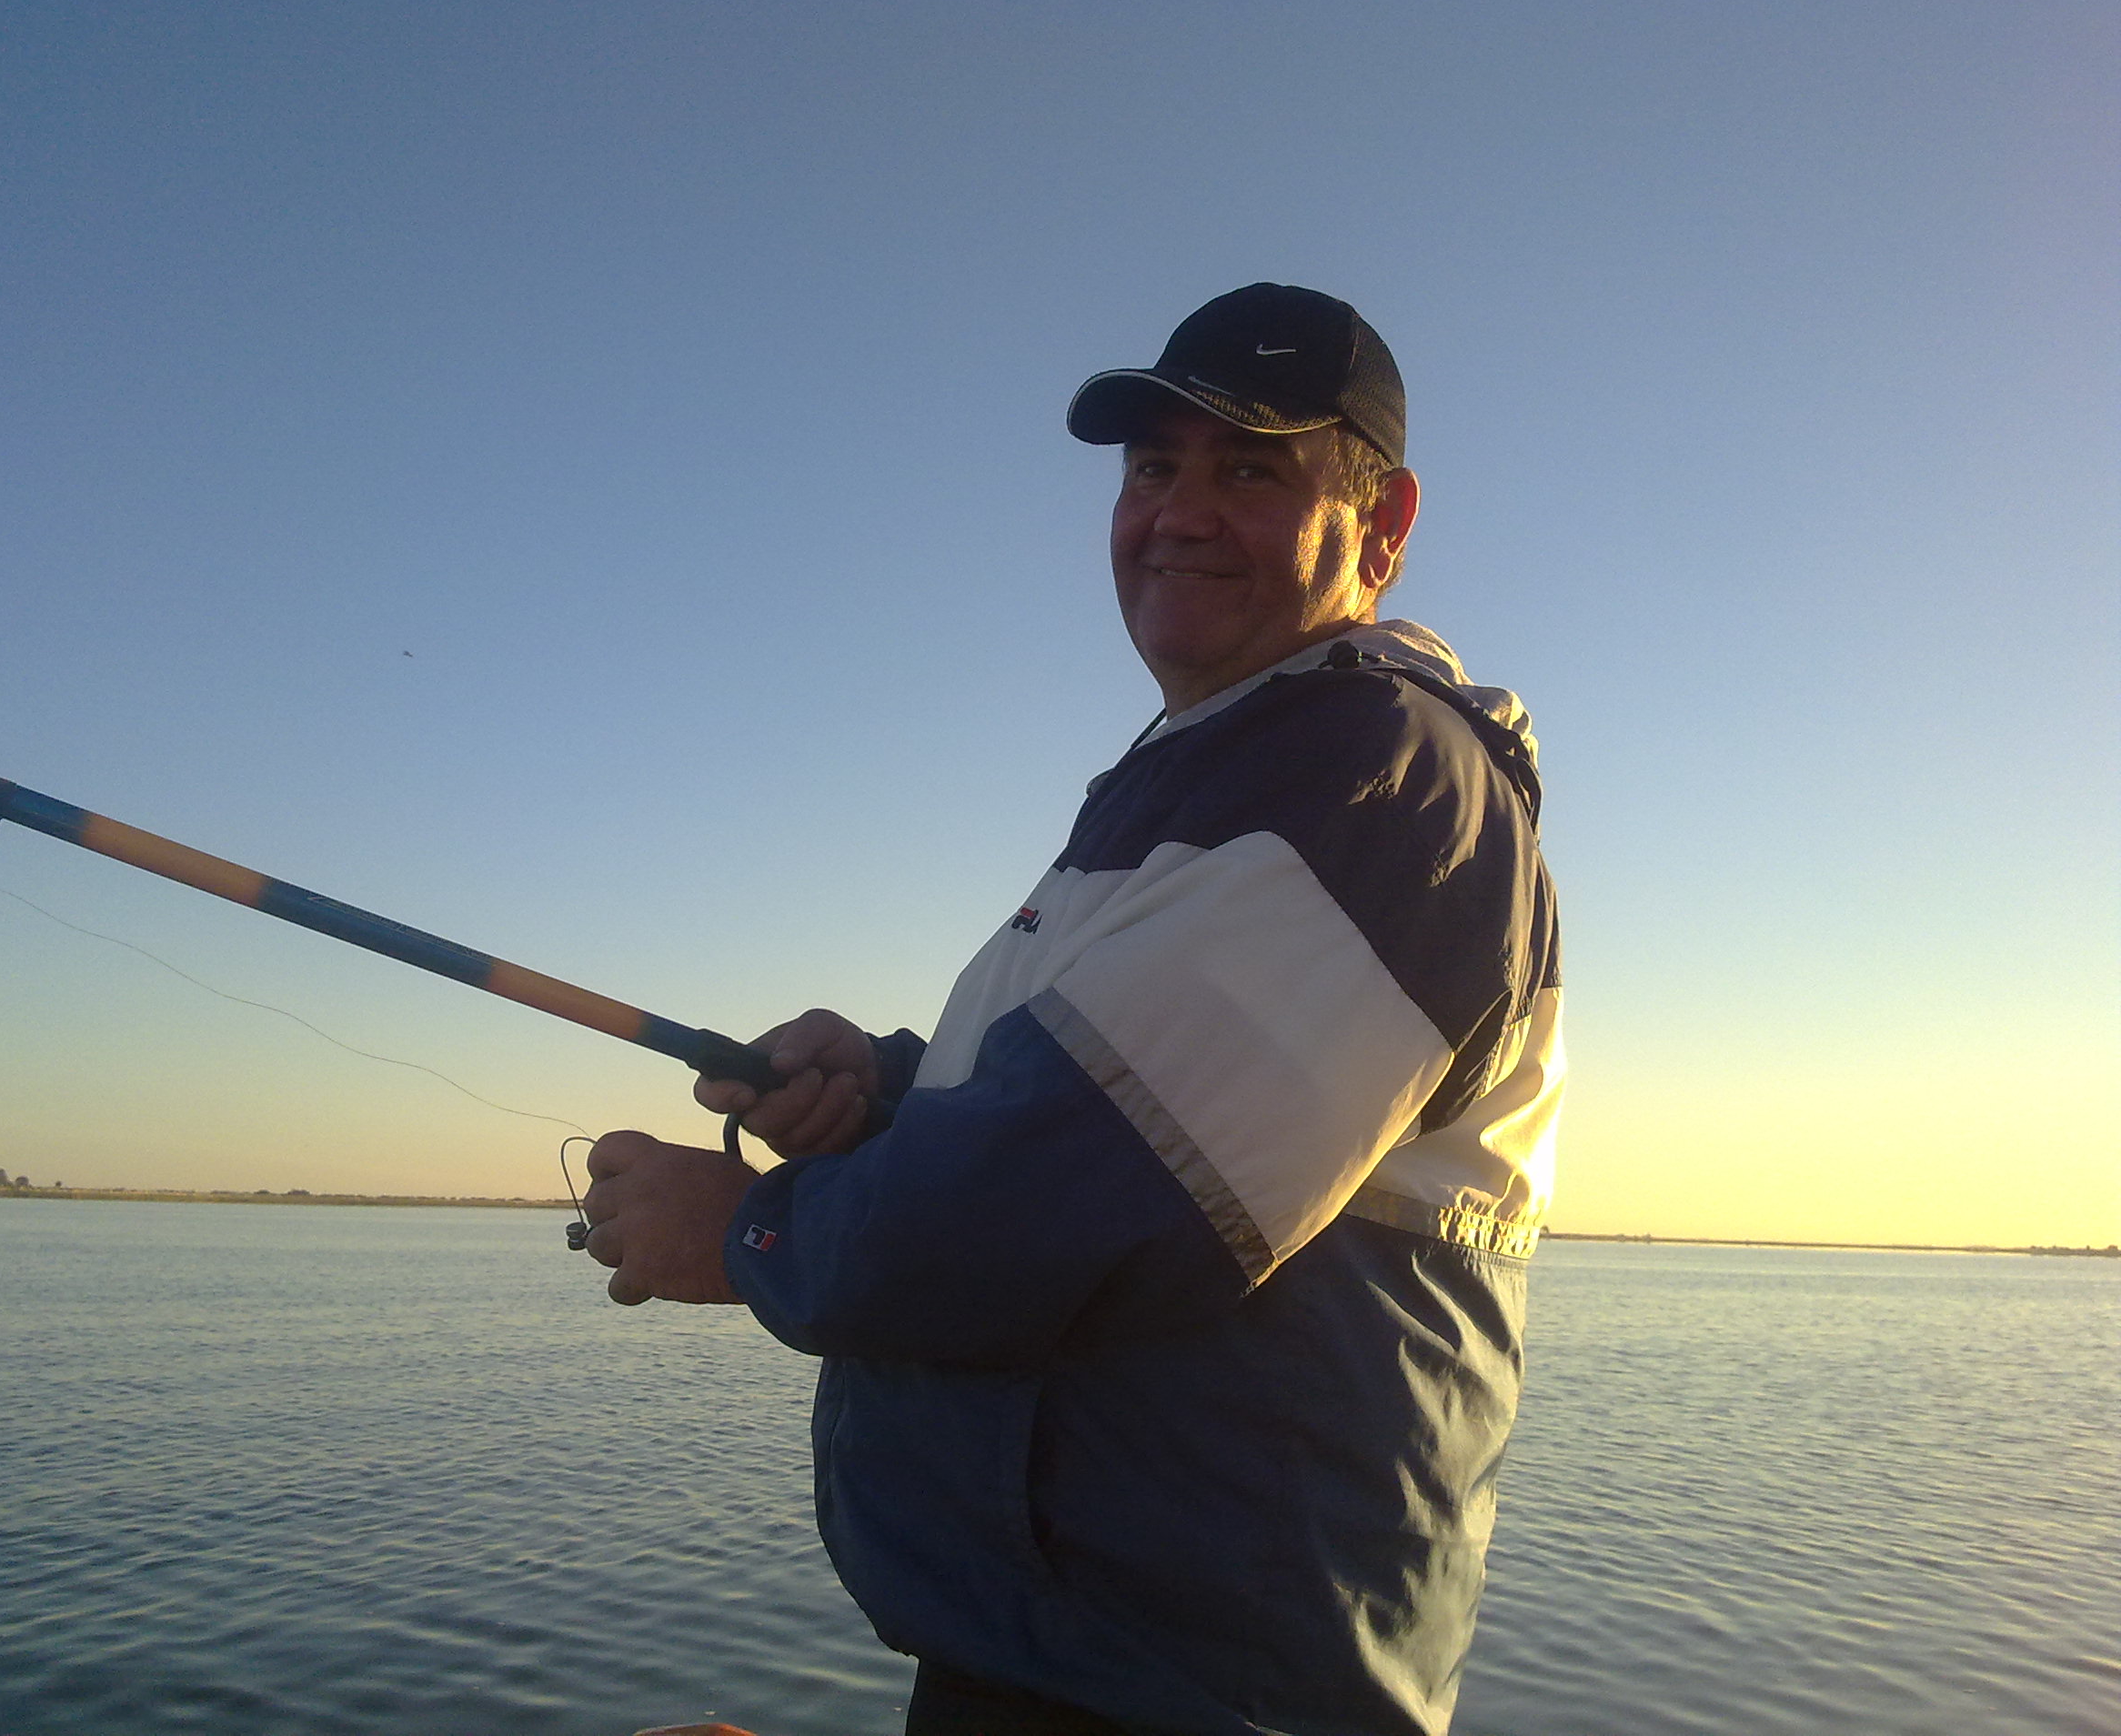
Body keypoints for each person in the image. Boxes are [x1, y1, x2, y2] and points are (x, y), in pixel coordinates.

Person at [584, 284, 1564, 1736]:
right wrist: (884, 1093)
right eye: (1153, 467)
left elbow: (1085, 1199)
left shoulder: (1381, 784)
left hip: (1196, 1688)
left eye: (1251, 471)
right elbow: (1102, 1103)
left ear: (1384, 523)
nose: (1179, 513)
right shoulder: (1214, 775)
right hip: (1068, 1656)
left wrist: (741, 1232)